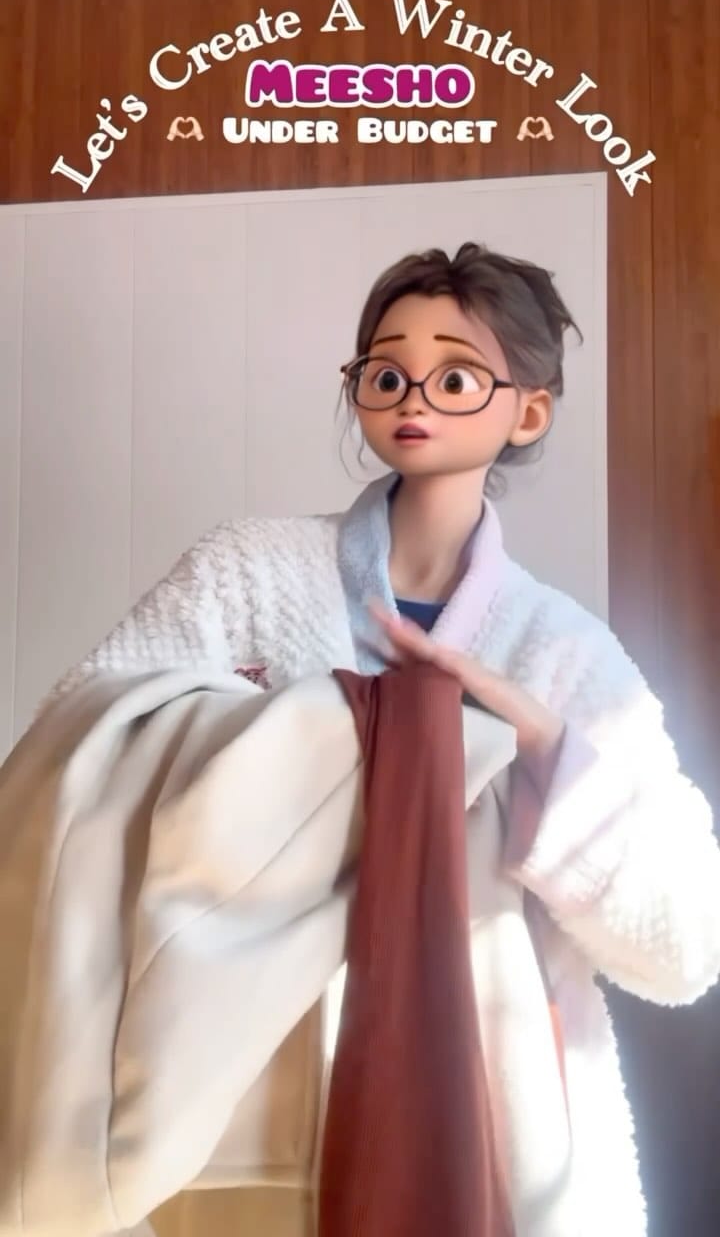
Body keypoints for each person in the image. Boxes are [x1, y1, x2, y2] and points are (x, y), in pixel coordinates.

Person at [45, 241, 720, 1235]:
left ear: (529, 411)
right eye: (387, 372)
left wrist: (536, 742)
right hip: (235, 1098)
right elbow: (82, 736)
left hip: (489, 1111)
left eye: (456, 377)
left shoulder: (565, 651)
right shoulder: (245, 571)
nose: (415, 399)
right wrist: (297, 733)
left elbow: (686, 943)